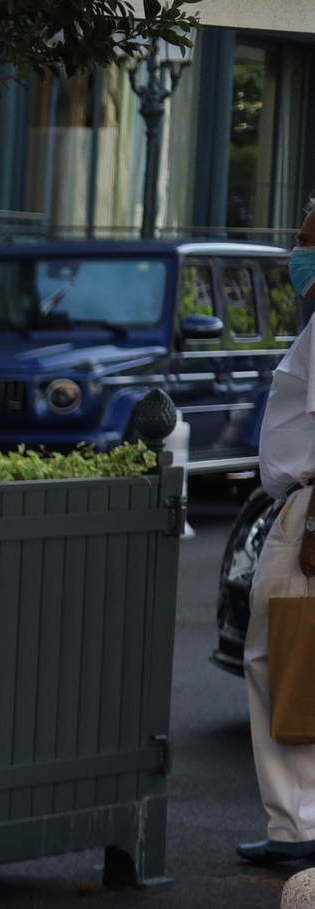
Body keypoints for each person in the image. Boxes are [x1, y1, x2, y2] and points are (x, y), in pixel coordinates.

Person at [241, 205, 315, 867]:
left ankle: (296, 827)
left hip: (309, 512)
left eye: (307, 244)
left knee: (282, 661)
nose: (298, 258)